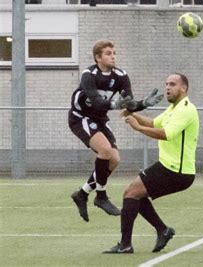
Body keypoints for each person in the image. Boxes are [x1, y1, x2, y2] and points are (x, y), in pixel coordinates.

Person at [103, 73, 199, 254]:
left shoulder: (186, 109)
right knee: (135, 194)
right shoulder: (173, 108)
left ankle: (126, 244)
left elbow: (165, 133)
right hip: (170, 167)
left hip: (176, 171)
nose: (167, 87)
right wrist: (133, 113)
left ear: (183, 88)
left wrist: (138, 128)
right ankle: (162, 230)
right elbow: (155, 123)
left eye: (172, 84)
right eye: (166, 84)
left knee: (130, 192)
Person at [69, 40, 134, 222]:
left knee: (114, 159)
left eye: (114, 52)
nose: (113, 56)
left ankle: (82, 194)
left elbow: (129, 103)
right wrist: (115, 104)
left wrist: (142, 104)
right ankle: (101, 196)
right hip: (81, 117)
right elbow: (96, 101)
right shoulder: (88, 74)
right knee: (105, 150)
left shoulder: (121, 76)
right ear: (98, 57)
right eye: (108, 53)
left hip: (100, 120)